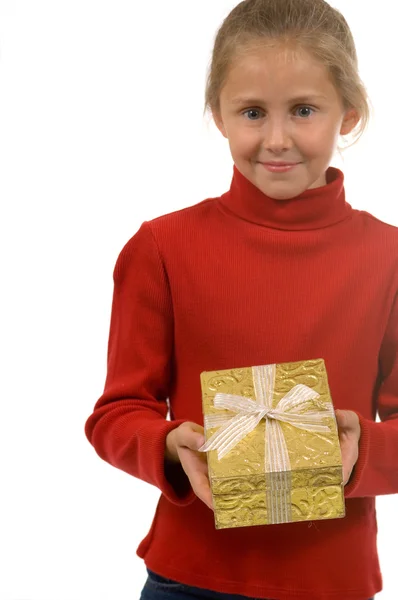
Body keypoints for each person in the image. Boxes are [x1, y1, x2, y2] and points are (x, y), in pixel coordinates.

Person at [84, 0, 397, 598]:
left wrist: (364, 450)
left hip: (331, 581)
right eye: (252, 112)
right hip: (187, 578)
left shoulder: (390, 257)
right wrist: (166, 444)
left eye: (303, 110)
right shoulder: (161, 248)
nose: (276, 139)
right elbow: (116, 413)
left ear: (348, 114)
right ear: (219, 116)